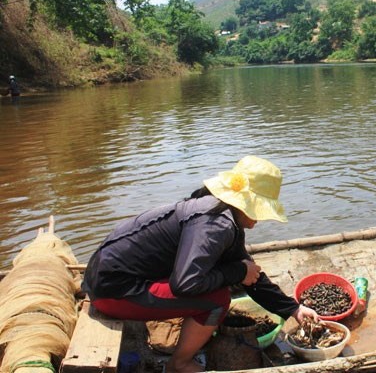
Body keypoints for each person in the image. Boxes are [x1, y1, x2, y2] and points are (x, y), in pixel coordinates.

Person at [82, 156, 319, 373]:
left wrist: (293, 309)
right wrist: (238, 272)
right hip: (113, 292)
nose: (257, 221)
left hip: (107, 277)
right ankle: (179, 363)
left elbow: (247, 271)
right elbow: (185, 284)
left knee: (231, 276)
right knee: (218, 299)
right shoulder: (216, 224)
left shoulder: (219, 211)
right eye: (257, 211)